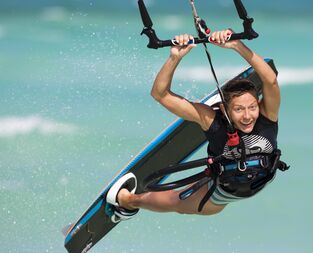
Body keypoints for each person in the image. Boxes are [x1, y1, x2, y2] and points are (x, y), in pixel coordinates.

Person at [106, 29, 281, 218]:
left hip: (259, 183)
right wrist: (175, 58)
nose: (248, 116)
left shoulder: (266, 117)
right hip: (222, 193)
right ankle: (127, 202)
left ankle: (127, 203)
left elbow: (270, 80)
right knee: (177, 202)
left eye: (252, 107)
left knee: (182, 204)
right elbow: (160, 94)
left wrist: (237, 45)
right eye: (239, 109)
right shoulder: (212, 121)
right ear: (224, 110)